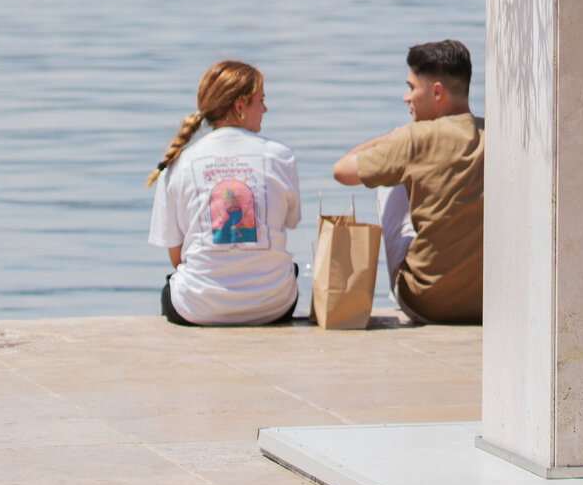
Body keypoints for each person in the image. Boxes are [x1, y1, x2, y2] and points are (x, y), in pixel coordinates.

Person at [332, 39, 483, 325]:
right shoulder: (497, 134)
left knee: (389, 178)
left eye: (412, 88)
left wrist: (393, 138)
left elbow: (342, 170)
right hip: (488, 302)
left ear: (436, 92)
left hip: (426, 302)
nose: (406, 97)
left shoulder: (414, 139)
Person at [147, 59, 301, 327]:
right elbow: (288, 223)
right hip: (273, 305)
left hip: (198, 309)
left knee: (172, 284)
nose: (265, 109)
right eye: (261, 100)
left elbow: (177, 258)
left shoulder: (178, 164)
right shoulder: (280, 156)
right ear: (240, 106)